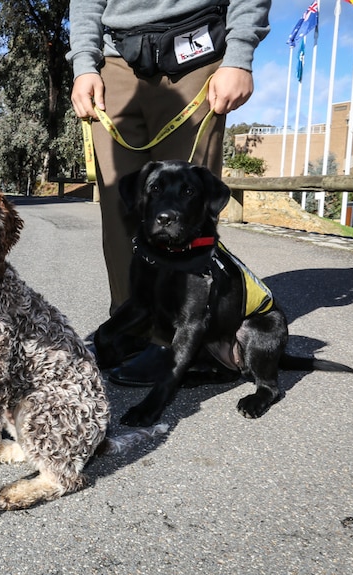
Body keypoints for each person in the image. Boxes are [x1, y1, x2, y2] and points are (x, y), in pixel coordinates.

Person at [67, 0, 271, 385]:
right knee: (121, 211)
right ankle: (130, 327)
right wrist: (83, 64)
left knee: (186, 215)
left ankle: (174, 343)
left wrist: (239, 54)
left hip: (194, 55)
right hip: (114, 62)